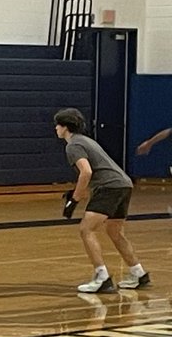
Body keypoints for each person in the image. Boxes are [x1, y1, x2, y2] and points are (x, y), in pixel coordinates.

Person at [55, 108, 149, 293]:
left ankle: (102, 277)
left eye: (57, 125)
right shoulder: (86, 140)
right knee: (114, 231)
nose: (55, 128)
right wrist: (76, 192)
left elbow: (86, 171)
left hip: (110, 187)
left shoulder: (73, 145)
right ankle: (138, 272)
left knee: (86, 229)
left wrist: (75, 199)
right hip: (123, 184)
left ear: (65, 127)